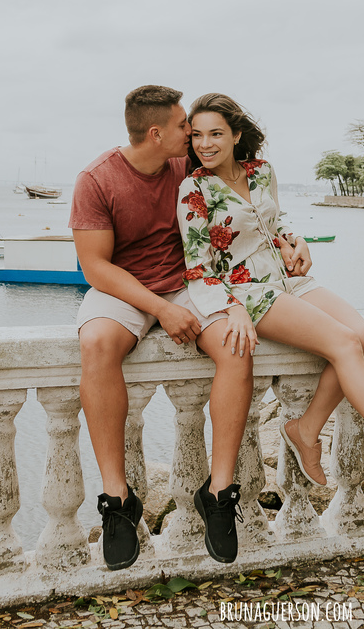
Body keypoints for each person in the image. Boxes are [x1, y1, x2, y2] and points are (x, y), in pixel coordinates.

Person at [177, 93, 364, 505]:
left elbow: (270, 225)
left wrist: (296, 241)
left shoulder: (260, 172)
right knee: (345, 344)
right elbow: (198, 267)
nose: (205, 144)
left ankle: (305, 429)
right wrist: (231, 307)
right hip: (245, 290)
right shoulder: (194, 188)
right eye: (198, 136)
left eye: (216, 134)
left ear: (236, 134)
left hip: (285, 279)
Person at [71, 85, 268, 570]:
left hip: (190, 286)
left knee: (237, 347)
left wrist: (286, 242)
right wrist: (159, 308)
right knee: (96, 344)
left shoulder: (190, 166)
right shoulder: (96, 180)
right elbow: (96, 268)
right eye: (185, 126)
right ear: (156, 133)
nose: (193, 135)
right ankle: (118, 500)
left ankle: (218, 490)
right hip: (126, 290)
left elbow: (247, 211)